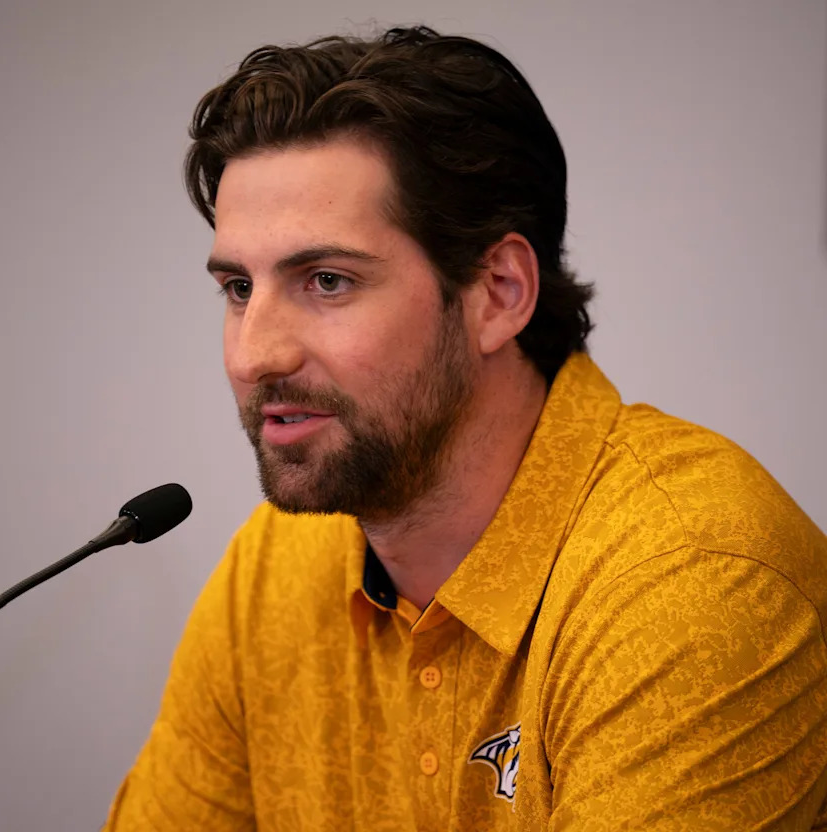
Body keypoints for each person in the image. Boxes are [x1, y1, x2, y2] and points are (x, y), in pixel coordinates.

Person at [104, 25, 827, 830]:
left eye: (328, 280)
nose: (255, 353)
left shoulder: (692, 582)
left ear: (499, 292)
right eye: (239, 287)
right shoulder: (270, 573)